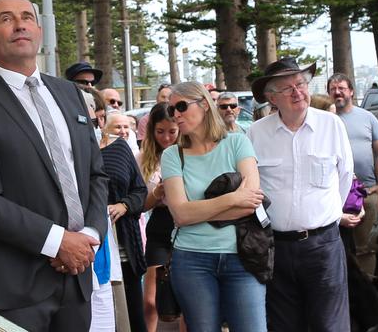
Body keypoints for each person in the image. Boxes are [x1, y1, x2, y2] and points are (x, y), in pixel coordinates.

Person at [0, 0, 108, 332]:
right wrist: (58, 242)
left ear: (39, 31)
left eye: (26, 17)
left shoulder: (70, 94)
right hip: (15, 288)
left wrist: (88, 236)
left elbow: (96, 175)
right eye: (6, 18)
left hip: (76, 278)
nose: (19, 24)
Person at [248, 58, 353, 332]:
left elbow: (344, 177)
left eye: (301, 84)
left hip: (323, 244)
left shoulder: (332, 125)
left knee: (329, 325)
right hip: (276, 247)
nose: (297, 92)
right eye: (287, 88)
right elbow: (251, 186)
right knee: (283, 325)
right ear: (271, 98)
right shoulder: (256, 133)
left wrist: (324, 215)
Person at [161, 81, 266, 332]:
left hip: (242, 256)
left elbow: (250, 202)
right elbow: (180, 214)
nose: (176, 114)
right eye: (172, 109)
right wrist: (231, 199)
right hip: (191, 260)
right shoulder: (173, 155)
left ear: (205, 105)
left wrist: (197, 209)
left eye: (182, 106)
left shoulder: (237, 143)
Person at [329, 73, 378, 278]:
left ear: (351, 91)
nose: (337, 92)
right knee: (339, 246)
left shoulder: (367, 118)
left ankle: (367, 292)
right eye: (333, 89)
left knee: (366, 246)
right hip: (336, 194)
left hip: (368, 191)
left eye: (342, 88)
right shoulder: (327, 119)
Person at [100, 114, 148, 332]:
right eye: (116, 126)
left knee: (133, 315)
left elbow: (140, 190)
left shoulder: (121, 149)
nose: (122, 130)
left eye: (125, 126)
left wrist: (124, 205)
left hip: (124, 247)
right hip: (90, 249)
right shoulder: (76, 149)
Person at [138, 102, 179, 332]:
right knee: (151, 299)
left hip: (187, 225)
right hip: (160, 223)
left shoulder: (189, 152)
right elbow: (140, 205)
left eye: (172, 132)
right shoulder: (143, 158)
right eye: (160, 132)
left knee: (185, 299)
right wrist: (158, 192)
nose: (166, 138)